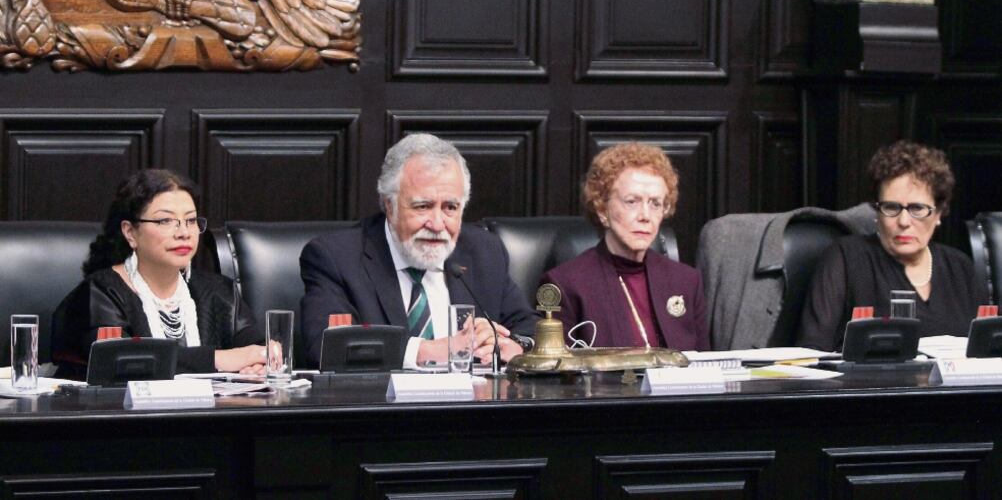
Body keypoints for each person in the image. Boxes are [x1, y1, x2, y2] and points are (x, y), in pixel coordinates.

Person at [300, 133, 538, 368]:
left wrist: (512, 344)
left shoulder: (484, 252)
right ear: (388, 204)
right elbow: (325, 345)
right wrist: (434, 350)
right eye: (423, 206)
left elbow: (529, 327)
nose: (437, 224)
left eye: (450, 207)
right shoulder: (336, 257)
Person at [52, 169, 264, 378]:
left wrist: (260, 360)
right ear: (130, 232)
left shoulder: (219, 291)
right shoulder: (101, 293)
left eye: (190, 220)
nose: (183, 233)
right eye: (165, 221)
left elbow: (258, 346)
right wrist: (219, 359)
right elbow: (120, 360)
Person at [797, 141, 988, 352]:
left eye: (917, 208)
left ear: (939, 213)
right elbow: (810, 353)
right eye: (891, 207)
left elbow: (983, 351)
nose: (904, 221)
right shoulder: (846, 258)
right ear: (877, 212)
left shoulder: (959, 266)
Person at [540, 143, 709, 351]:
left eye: (655, 203)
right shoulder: (566, 284)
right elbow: (560, 376)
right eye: (632, 202)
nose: (645, 216)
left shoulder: (686, 281)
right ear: (602, 208)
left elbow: (704, 368)